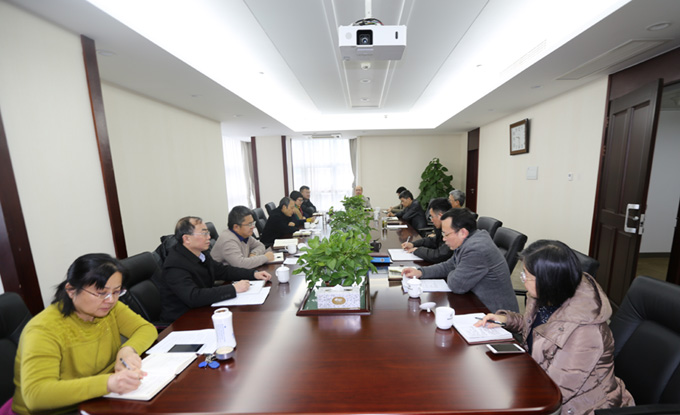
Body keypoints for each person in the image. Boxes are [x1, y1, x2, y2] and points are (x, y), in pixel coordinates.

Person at [475, 240, 634, 415]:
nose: (523, 280)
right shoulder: (548, 296)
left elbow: (555, 392)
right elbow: (537, 327)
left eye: (526, 276)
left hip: (579, 407)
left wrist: (511, 384)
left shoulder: (585, 333)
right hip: (537, 377)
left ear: (547, 281)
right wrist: (505, 319)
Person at [12, 254, 158, 414]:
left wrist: (128, 349)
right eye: (101, 292)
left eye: (117, 291)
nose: (110, 300)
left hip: (99, 399)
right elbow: (36, 395)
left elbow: (146, 328)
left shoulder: (109, 308)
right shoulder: (43, 330)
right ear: (71, 290)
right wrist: (108, 383)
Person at [156, 216, 271, 322]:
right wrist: (233, 289)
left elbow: (223, 271)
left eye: (208, 233)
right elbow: (193, 297)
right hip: (182, 321)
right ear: (186, 239)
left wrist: (253, 274)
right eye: (204, 233)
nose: (209, 237)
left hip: (202, 310)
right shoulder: (175, 265)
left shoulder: (201, 254)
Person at [402, 208, 518, 312]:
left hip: (496, 314)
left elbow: (457, 285)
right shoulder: (468, 240)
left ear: (462, 232)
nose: (444, 239)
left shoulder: (477, 249)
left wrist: (456, 271)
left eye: (446, 234)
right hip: (475, 301)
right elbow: (450, 265)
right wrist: (421, 272)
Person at [401, 197, 453, 264]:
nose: (431, 220)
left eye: (432, 216)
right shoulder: (441, 227)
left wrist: (418, 250)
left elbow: (439, 255)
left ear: (440, 216)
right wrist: (413, 244)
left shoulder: (453, 230)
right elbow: (434, 241)